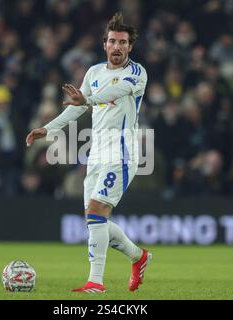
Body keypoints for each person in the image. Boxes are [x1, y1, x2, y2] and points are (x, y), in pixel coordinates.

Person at [26, 13, 151, 293]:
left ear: (130, 46)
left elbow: (111, 94)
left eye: (122, 42)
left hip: (122, 153)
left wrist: (88, 99)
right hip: (96, 154)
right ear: (104, 44)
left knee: (96, 213)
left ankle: (96, 282)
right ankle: (138, 257)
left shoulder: (136, 73)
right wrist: (48, 128)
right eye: (112, 41)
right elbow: (78, 105)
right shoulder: (94, 72)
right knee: (96, 220)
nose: (117, 47)